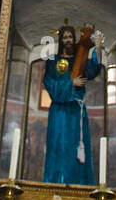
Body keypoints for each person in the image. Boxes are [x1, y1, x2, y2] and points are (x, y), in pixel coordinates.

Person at [42, 22, 103, 185]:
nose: (68, 40)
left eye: (70, 37)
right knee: (59, 146)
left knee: (77, 146)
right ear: (60, 40)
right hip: (59, 112)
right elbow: (48, 82)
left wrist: (97, 47)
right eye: (65, 37)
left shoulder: (80, 61)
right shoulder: (52, 61)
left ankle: (79, 184)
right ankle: (56, 182)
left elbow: (94, 68)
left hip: (76, 111)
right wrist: (71, 84)